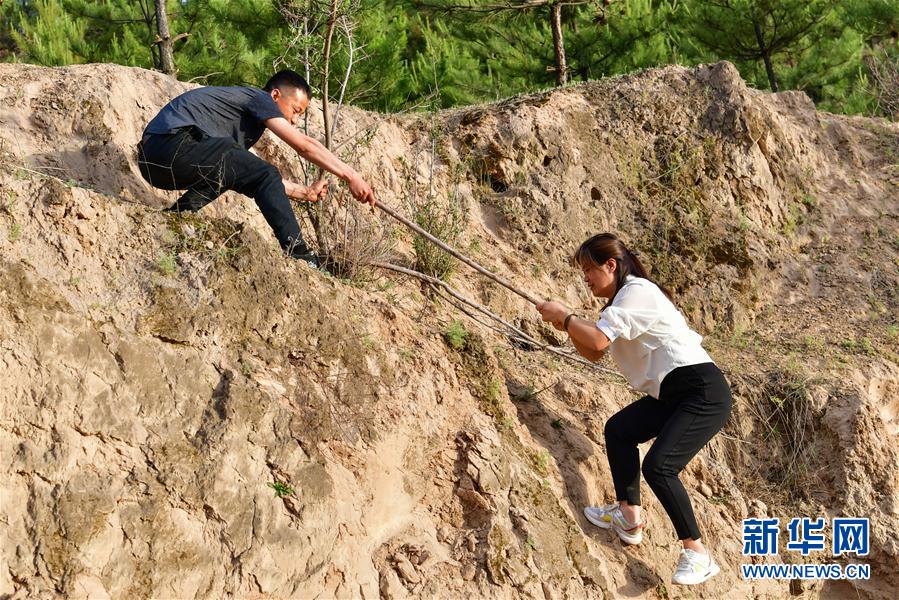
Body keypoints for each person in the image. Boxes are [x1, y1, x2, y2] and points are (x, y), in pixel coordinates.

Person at [536, 233, 732, 586]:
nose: (586, 278)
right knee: (619, 430)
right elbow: (594, 351)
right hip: (672, 394)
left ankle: (697, 553)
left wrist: (566, 319)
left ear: (610, 265)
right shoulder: (616, 308)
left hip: (701, 390)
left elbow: (596, 340)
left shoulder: (636, 292)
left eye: (589, 269)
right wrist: (564, 326)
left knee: (660, 466)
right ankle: (629, 517)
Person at [137, 69, 376, 265]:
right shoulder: (258, 98)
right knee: (250, 166)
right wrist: (350, 175)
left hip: (156, 161)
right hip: (167, 145)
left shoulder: (241, 122)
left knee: (233, 168)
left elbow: (253, 175)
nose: (294, 120)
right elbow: (303, 146)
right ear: (275, 95)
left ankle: (177, 217)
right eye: (295, 110)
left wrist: (304, 192)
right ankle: (301, 256)